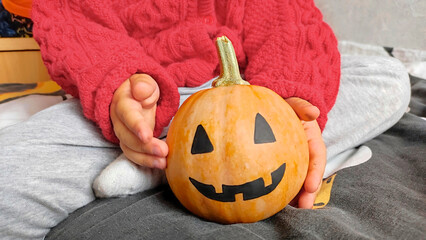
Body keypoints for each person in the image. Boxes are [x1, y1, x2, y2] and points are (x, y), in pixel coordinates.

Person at [0, 0, 410, 239]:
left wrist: (289, 99)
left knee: (388, 78)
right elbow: (76, 26)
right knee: (8, 182)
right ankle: (161, 152)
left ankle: (169, 167)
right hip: (147, 103)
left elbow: (287, 19)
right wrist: (121, 87)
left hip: (252, 88)